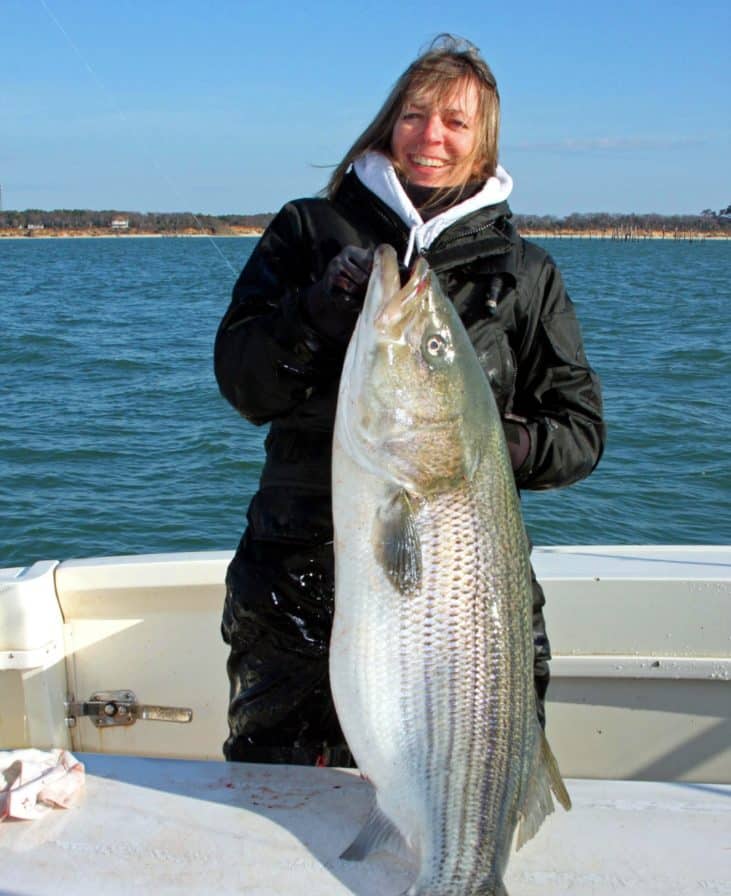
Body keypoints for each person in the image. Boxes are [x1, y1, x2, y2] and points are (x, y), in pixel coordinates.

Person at [214, 34, 605, 766]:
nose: (431, 137)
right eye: (414, 115)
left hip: (467, 596)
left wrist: (497, 442)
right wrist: (318, 310)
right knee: (283, 795)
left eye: (455, 122)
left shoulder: (523, 272)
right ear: (387, 122)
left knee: (470, 788)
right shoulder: (306, 230)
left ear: (482, 145)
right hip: (294, 584)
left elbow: (580, 432)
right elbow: (244, 385)